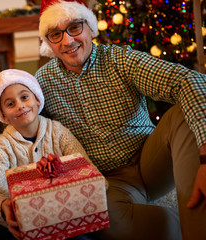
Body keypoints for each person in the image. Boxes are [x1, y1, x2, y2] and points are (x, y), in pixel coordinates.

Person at [34, 0, 206, 240]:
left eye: (74, 27)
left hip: (151, 159)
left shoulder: (120, 59)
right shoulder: (41, 82)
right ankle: (180, 222)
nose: (68, 41)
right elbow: (27, 130)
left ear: (90, 28)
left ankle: (198, 225)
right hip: (109, 182)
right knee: (107, 224)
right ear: (49, 43)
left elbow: (189, 81)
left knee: (182, 114)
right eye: (55, 34)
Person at [0, 69, 94, 239]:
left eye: (25, 97)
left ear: (36, 98)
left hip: (70, 215)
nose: (20, 105)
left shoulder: (58, 132)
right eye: (10, 104)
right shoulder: (2, 146)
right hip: (28, 221)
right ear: (3, 115)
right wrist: (3, 205)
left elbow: (84, 166)